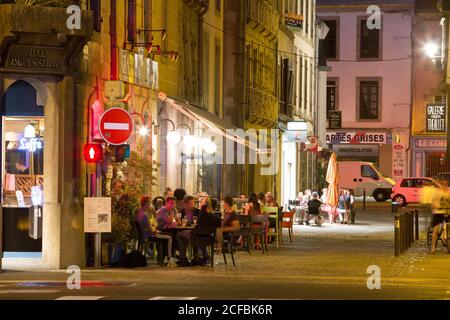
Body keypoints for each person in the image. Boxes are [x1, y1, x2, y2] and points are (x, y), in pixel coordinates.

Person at [135, 196, 173, 266]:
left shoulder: (138, 212)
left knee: (165, 236)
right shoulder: (145, 215)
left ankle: (161, 259)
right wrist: (155, 227)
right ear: (146, 204)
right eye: (149, 203)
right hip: (149, 235)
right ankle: (168, 258)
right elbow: (151, 230)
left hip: (143, 235)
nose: (150, 205)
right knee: (170, 237)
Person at [192, 196, 221, 266]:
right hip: (210, 239)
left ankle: (201, 257)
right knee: (202, 237)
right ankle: (206, 257)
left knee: (196, 236)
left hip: (197, 238)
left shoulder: (201, 213)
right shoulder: (216, 218)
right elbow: (219, 227)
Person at [175, 195, 201, 267]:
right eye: (190, 203)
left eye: (193, 203)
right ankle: (184, 258)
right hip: (186, 231)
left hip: (195, 232)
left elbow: (199, 223)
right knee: (179, 235)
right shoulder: (182, 212)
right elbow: (181, 223)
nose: (192, 205)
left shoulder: (197, 211)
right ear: (185, 204)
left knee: (179, 236)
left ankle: (184, 258)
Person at [429, 180, 450, 254]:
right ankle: (433, 247)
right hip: (438, 213)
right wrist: (437, 206)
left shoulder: (449, 192)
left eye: (446, 184)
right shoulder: (437, 192)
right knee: (436, 230)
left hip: (448, 212)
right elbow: (433, 203)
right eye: (443, 184)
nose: (445, 185)